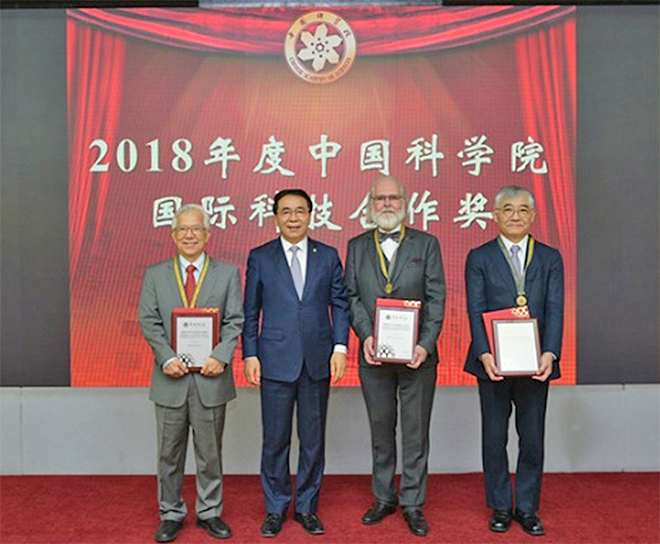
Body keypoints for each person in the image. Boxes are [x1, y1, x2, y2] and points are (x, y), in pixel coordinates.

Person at [242, 188, 350, 538]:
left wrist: (340, 348)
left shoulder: (328, 255)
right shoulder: (260, 257)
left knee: (313, 439)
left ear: (310, 215)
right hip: (273, 361)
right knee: (275, 439)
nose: (293, 217)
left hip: (318, 360)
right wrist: (250, 353)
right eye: (286, 211)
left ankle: (306, 507)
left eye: (300, 211)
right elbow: (250, 311)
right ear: (275, 217)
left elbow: (340, 306)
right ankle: (275, 508)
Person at [345, 175, 445, 537]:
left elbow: (436, 299)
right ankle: (384, 496)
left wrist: (425, 344)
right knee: (380, 429)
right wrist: (367, 336)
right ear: (370, 204)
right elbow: (351, 297)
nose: (387, 204)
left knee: (416, 431)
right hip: (374, 356)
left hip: (418, 357)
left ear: (406, 202)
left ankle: (413, 502)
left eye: (394, 198)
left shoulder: (427, 244)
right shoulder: (357, 246)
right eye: (380, 199)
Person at [139, 204, 244, 543]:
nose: (189, 235)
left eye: (196, 229)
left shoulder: (226, 273)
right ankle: (170, 513)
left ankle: (210, 512)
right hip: (170, 379)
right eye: (182, 229)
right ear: (172, 235)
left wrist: (220, 356)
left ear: (207, 235)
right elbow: (149, 321)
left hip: (211, 379)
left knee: (210, 453)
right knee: (168, 454)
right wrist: (165, 357)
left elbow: (235, 321)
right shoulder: (155, 274)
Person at [464, 185, 564, 537]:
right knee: (494, 437)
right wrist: (484, 353)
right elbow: (475, 309)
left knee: (532, 437)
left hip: (536, 363)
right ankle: (501, 507)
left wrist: (550, 352)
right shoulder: (479, 256)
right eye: (508, 209)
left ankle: (527, 507)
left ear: (533, 216)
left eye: (523, 209)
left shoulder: (551, 257)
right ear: (495, 215)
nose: (516, 215)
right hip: (493, 362)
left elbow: (555, 307)